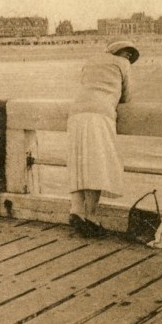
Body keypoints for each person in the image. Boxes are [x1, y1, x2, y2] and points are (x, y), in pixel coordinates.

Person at [67, 40, 139, 238]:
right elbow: (127, 96)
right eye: (128, 54)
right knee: (97, 164)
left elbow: (84, 84)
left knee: (78, 162)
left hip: (76, 113)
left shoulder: (91, 61)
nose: (129, 58)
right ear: (121, 53)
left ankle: (76, 210)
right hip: (100, 114)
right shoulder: (123, 64)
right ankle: (91, 217)